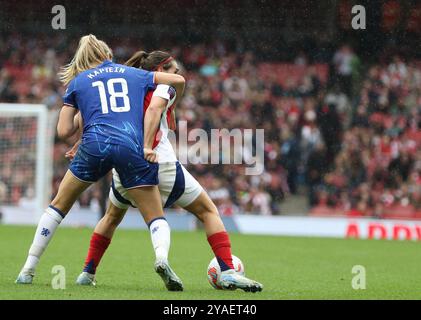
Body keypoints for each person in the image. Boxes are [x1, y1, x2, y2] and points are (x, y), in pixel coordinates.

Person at [71, 50, 263, 292]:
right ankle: (227, 271)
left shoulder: (128, 88)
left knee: (110, 217)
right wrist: (148, 145)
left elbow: (94, 115)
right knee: (207, 211)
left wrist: (82, 141)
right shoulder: (162, 87)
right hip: (159, 163)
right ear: (160, 71)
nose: (178, 74)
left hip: (125, 167)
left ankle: (87, 272)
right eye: (173, 70)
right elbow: (153, 110)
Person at [15, 35, 186, 291]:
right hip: (132, 145)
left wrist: (84, 112)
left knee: (59, 206)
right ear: (107, 53)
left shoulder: (78, 82)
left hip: (94, 146)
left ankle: (28, 268)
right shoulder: (131, 73)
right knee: (154, 216)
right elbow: (178, 79)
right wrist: (173, 104)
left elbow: (63, 131)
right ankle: (161, 258)